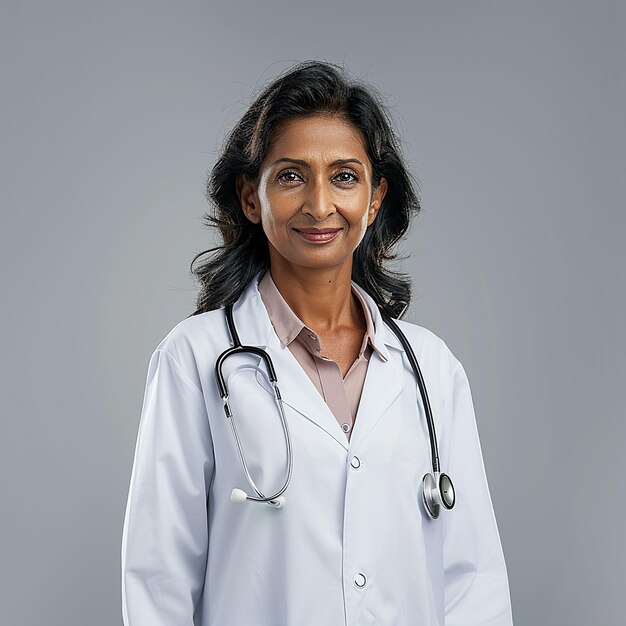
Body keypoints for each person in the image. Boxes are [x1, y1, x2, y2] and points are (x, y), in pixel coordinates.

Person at [121, 60, 513, 625]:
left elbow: (473, 579)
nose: (320, 203)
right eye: (290, 176)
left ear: (375, 200)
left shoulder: (431, 369)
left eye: (345, 176)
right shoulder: (195, 360)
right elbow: (159, 578)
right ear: (250, 199)